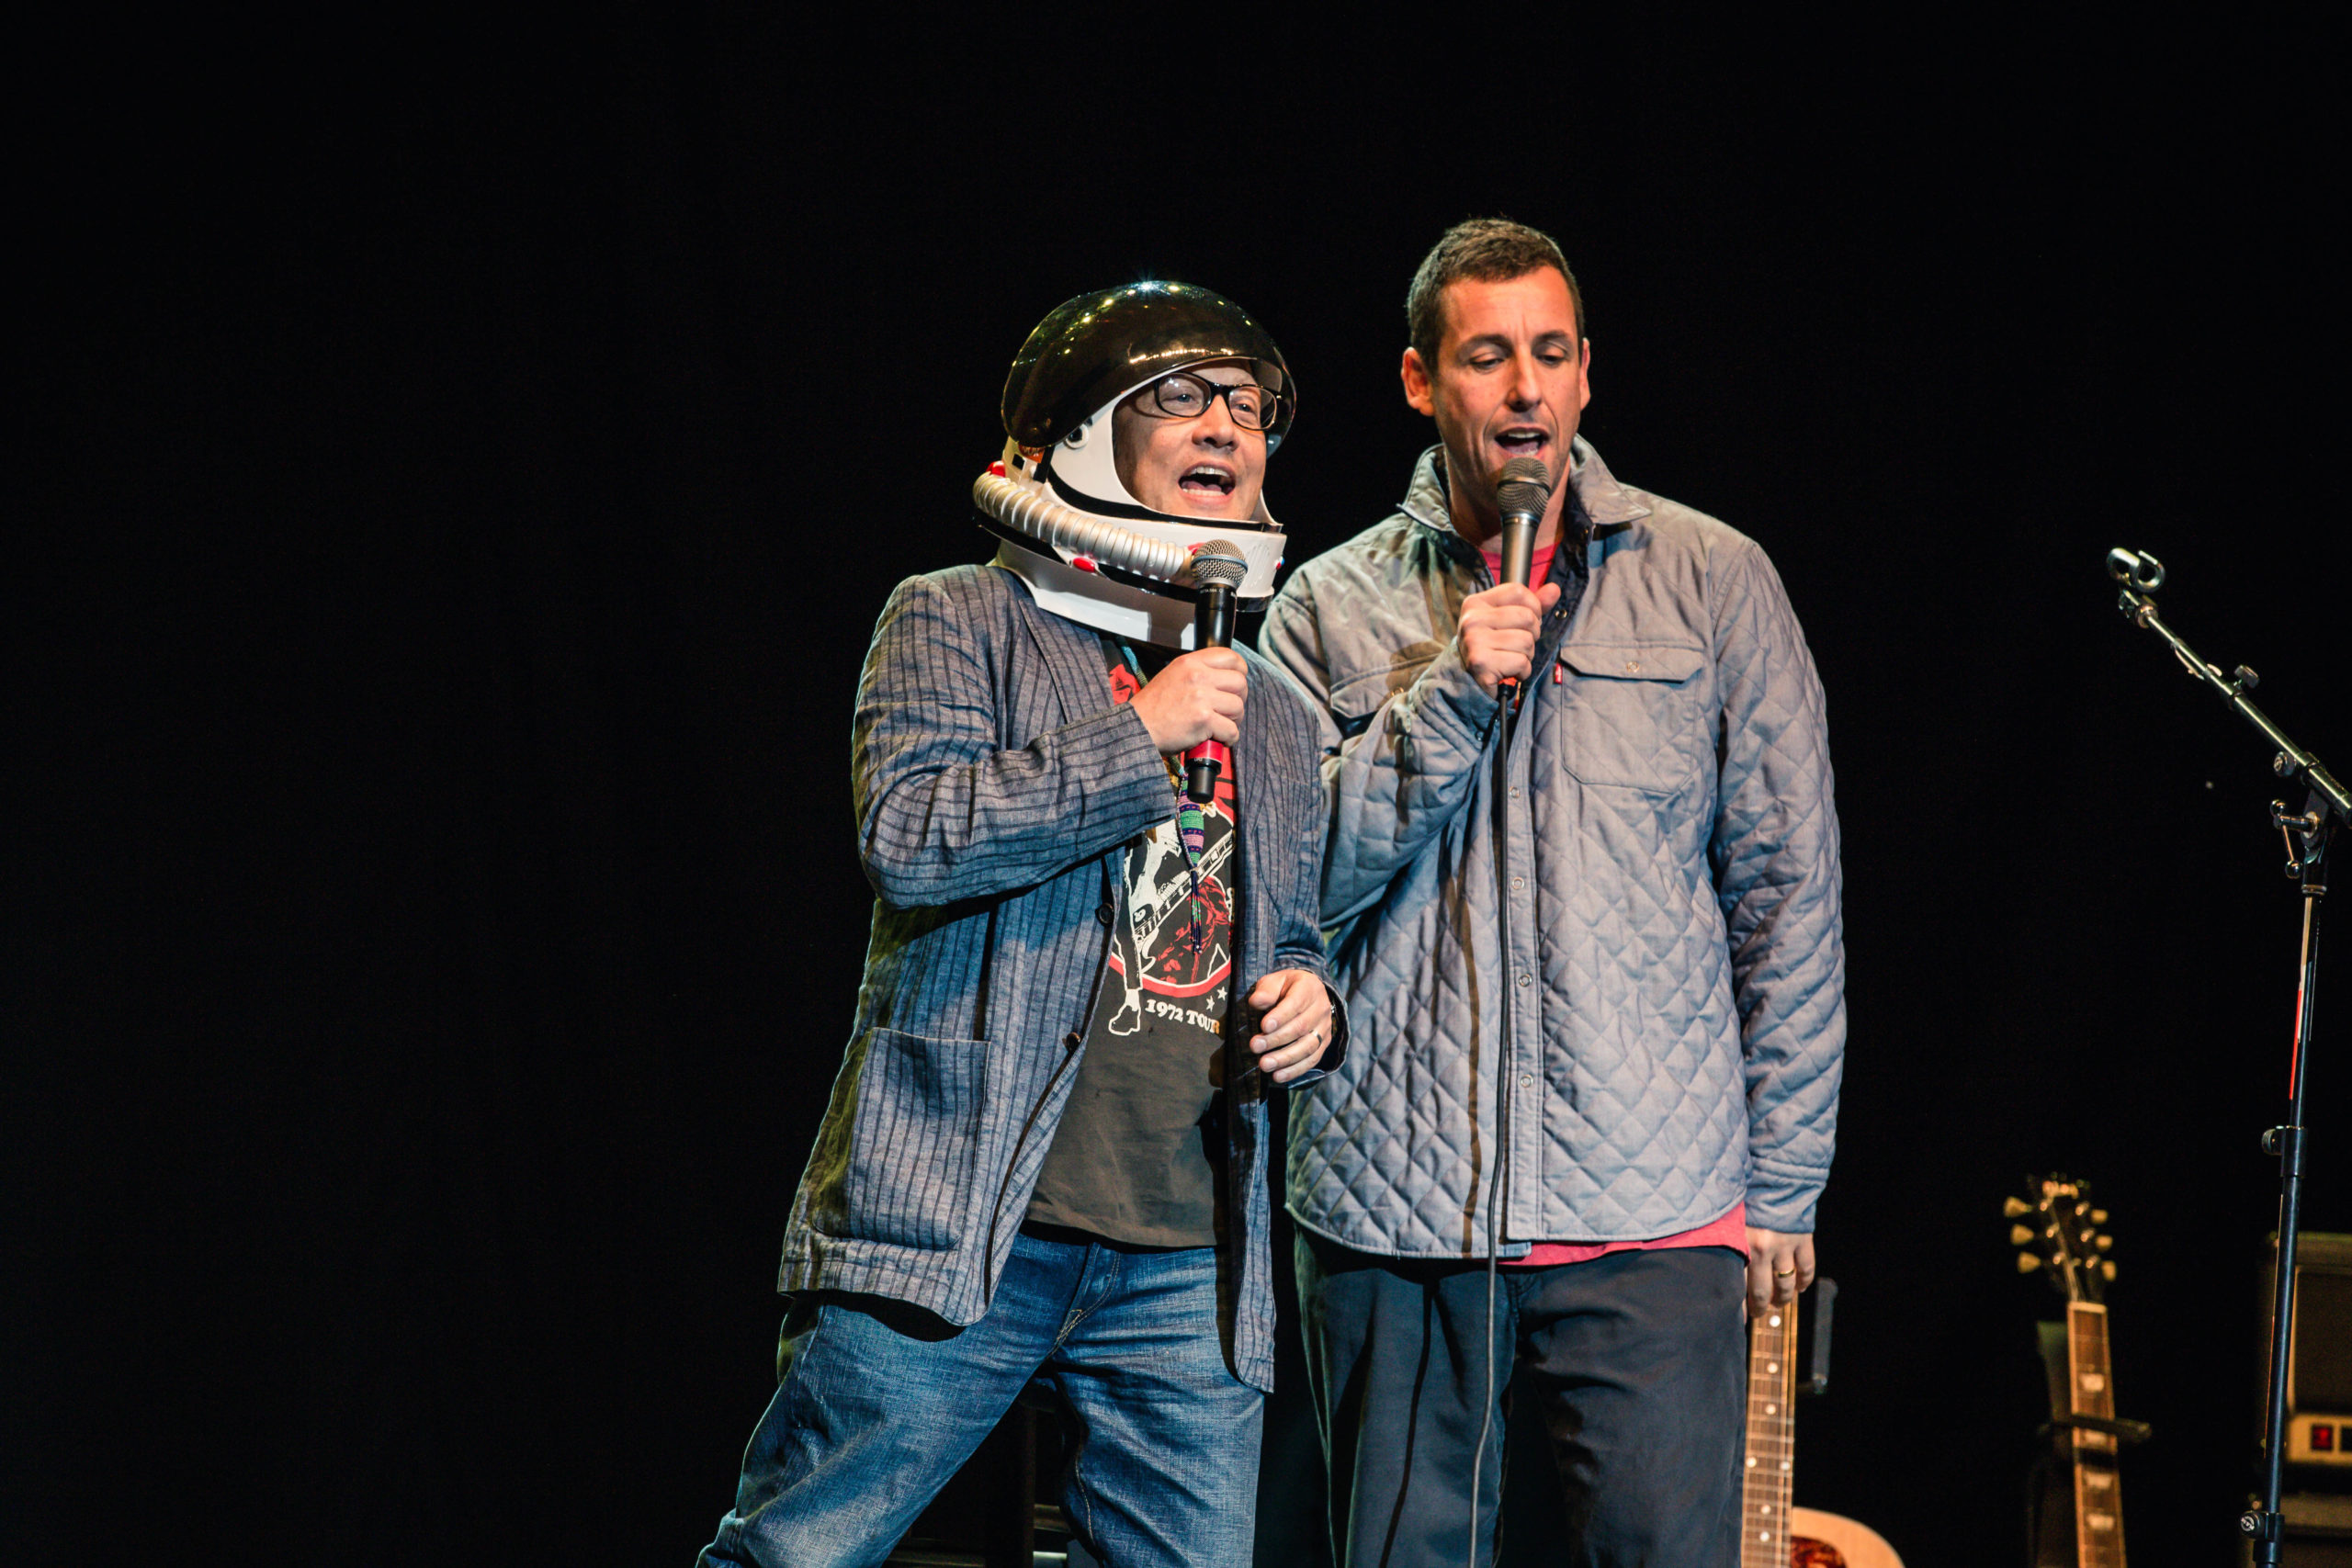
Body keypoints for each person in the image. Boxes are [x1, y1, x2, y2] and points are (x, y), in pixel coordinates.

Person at [695, 281, 1344, 1568]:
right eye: (1181, 395)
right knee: (797, 1553)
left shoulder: (1269, 706)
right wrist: (1140, 736)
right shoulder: (957, 615)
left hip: (1185, 1253)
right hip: (965, 1207)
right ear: (1079, 433)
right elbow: (912, 835)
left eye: (1249, 407)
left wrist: (1310, 1003)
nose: (1226, 424)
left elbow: (1290, 937)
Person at [1260, 219, 1846, 1566]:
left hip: (1656, 1211)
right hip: (1394, 1213)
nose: (1524, 388)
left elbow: (1789, 900)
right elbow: (1285, 885)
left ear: (1586, 373)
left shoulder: (1715, 583)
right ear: (1421, 382)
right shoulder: (1327, 607)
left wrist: (1784, 1184)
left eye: (1550, 353)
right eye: (1486, 357)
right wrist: (1450, 695)